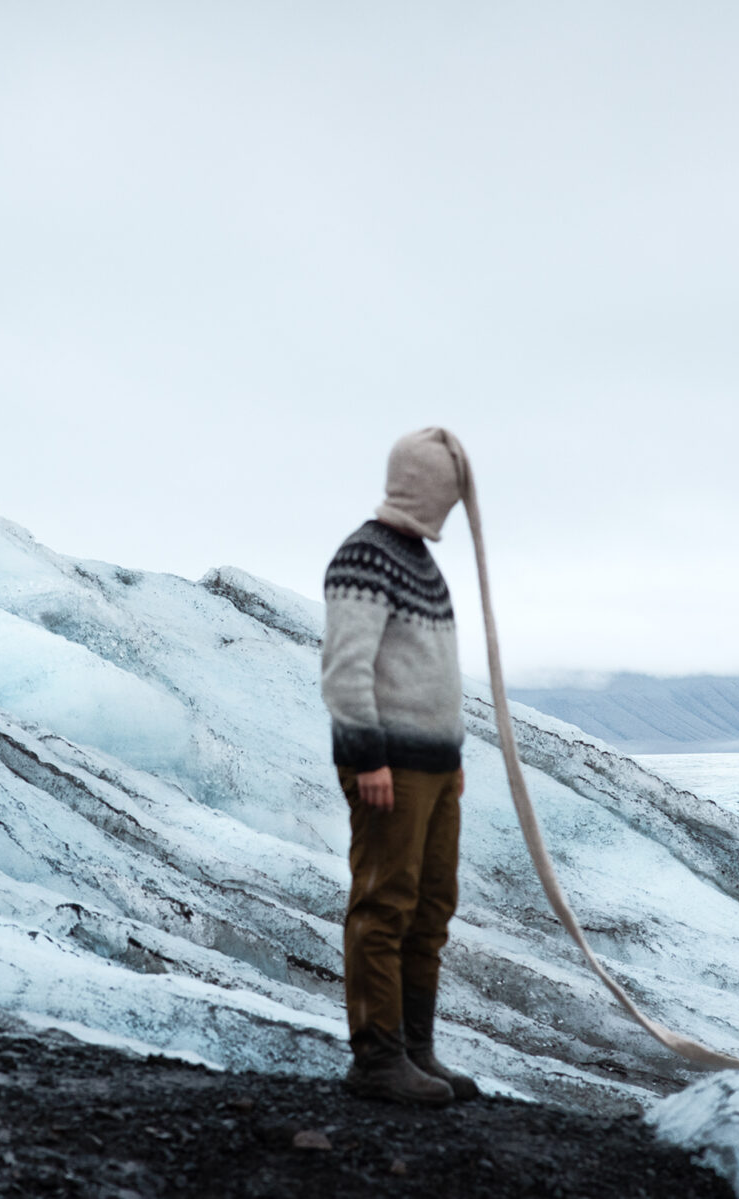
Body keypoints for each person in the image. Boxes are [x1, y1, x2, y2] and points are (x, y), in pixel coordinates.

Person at [320, 427, 481, 1107]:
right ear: (431, 489)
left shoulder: (418, 561)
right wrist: (368, 757)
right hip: (392, 766)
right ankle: (378, 1059)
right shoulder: (366, 556)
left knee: (430, 905)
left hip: (435, 767)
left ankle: (416, 1049)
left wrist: (451, 758)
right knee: (385, 903)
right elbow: (346, 669)